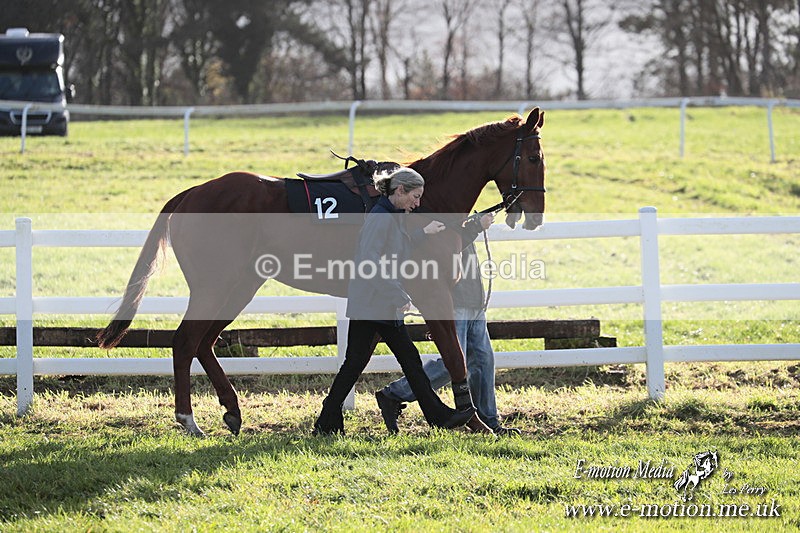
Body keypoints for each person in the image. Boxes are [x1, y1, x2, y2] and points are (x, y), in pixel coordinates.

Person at [313, 167, 475, 435]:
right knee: (404, 361)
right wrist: (397, 295)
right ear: (400, 190)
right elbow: (369, 262)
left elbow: (396, 249)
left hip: (376, 302)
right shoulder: (381, 219)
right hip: (376, 303)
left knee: (361, 363)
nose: (418, 203)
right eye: (415, 196)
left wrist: (425, 233)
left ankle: (327, 420)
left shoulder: (390, 215)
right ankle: (438, 416)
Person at [374, 212, 522, 436]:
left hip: (473, 300)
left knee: (483, 361)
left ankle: (489, 421)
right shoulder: (438, 216)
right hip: (454, 301)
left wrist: (473, 224)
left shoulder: (457, 213)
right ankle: (395, 393)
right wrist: (474, 227)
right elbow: (446, 247)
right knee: (451, 363)